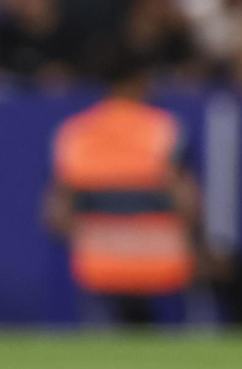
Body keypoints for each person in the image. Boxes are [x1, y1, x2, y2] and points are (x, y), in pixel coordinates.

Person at [45, 48, 208, 326]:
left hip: (97, 259)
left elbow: (56, 213)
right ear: (137, 81)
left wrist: (87, 240)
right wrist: (194, 244)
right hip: (164, 259)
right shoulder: (164, 128)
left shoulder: (75, 132)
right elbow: (189, 202)